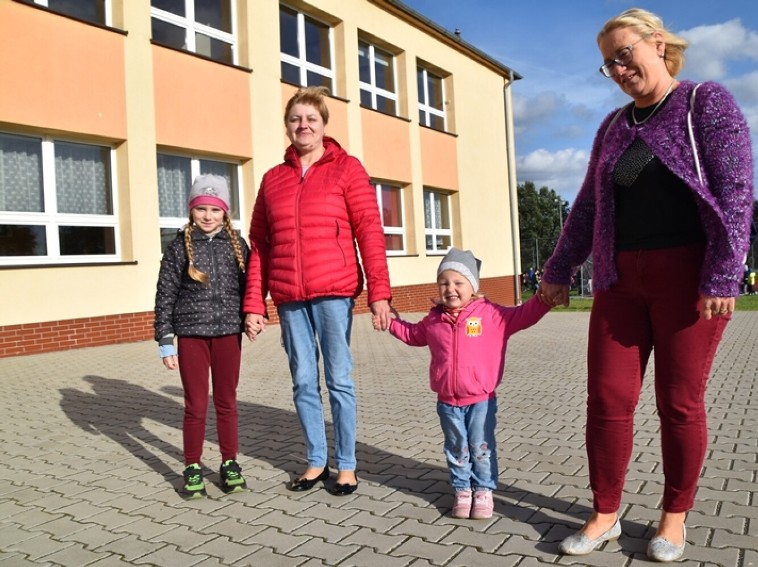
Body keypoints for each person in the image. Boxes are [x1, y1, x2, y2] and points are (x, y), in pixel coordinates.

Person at [538, 8, 753, 562]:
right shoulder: (612, 128)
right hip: (617, 280)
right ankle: (605, 512)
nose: (617, 67)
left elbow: (735, 191)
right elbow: (587, 206)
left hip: (689, 280)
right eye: (608, 63)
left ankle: (674, 517)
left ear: (657, 43)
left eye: (624, 53)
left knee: (679, 404)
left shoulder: (705, 103)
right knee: (607, 401)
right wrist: (560, 269)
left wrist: (725, 272)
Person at [243, 86, 391, 496]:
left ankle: (346, 465)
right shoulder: (273, 179)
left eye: (311, 118)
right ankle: (315, 461)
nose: (303, 125)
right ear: (287, 126)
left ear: (324, 125)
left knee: (338, 379)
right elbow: (260, 244)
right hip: (289, 297)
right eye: (296, 119)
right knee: (304, 381)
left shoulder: (347, 169)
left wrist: (380, 291)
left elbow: (369, 231)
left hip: (334, 293)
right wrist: (254, 302)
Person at [378, 248, 550, 519]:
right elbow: (412, 335)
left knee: (480, 446)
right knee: (457, 447)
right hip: (447, 401)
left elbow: (525, 315)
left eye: (459, 282)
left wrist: (544, 300)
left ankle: (483, 489)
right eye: (444, 283)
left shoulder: (492, 315)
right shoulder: (434, 319)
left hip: (481, 399)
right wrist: (391, 321)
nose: (451, 289)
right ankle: (462, 489)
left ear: (473, 287)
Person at [154, 174, 250, 499]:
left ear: (226, 212)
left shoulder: (238, 247)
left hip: (227, 334)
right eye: (201, 209)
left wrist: (254, 316)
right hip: (191, 335)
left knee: (226, 402)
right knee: (195, 405)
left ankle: (229, 463)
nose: (208, 216)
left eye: (215, 209)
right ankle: (192, 466)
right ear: (191, 211)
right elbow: (165, 293)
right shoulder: (179, 246)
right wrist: (165, 339)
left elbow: (251, 288)